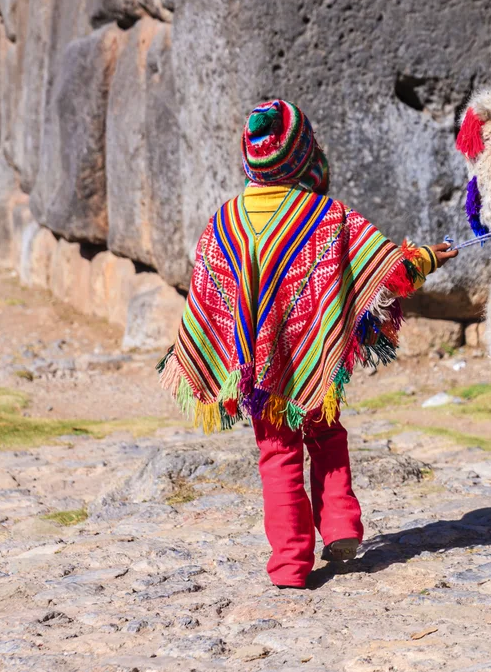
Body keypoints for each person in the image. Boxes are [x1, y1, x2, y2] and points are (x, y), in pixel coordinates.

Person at [157, 99, 456, 587]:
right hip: (314, 358)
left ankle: (290, 564)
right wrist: (426, 257)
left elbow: (210, 290)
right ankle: (340, 524)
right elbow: (389, 272)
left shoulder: (225, 222)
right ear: (303, 154)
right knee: (326, 435)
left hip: (256, 370)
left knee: (276, 453)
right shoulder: (327, 215)